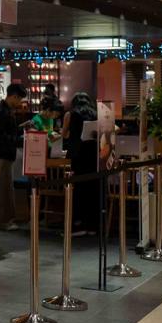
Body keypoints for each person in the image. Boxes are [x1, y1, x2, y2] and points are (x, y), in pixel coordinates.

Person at [0, 83, 28, 229]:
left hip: (3, 155)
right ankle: (2, 222)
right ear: (14, 97)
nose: (19, 103)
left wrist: (20, 129)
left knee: (5, 189)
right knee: (3, 190)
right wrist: (18, 140)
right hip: (2, 156)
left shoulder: (3, 110)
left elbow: (5, 132)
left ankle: (6, 220)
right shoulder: (2, 112)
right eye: (19, 99)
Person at [62, 91, 99, 234]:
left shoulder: (70, 114)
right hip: (93, 155)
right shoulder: (95, 114)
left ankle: (78, 224)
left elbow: (64, 134)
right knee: (92, 189)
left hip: (78, 156)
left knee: (78, 189)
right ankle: (92, 225)